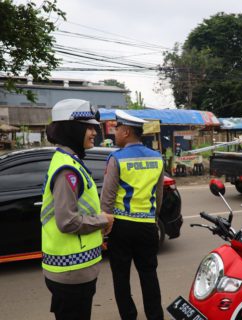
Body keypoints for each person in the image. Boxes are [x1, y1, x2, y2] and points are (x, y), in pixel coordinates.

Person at [41, 99, 114, 320]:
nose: (95, 132)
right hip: (71, 271)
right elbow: (67, 222)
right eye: (89, 127)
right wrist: (102, 220)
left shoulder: (69, 161)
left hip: (73, 269)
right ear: (73, 129)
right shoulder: (67, 170)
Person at [101, 110, 164, 320]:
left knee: (121, 277)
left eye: (117, 129)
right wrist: (153, 220)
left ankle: (129, 317)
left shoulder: (116, 158)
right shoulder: (157, 158)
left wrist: (105, 227)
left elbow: (107, 198)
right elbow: (159, 196)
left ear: (126, 131)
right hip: (147, 226)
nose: (114, 133)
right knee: (149, 275)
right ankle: (155, 316)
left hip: (121, 227)